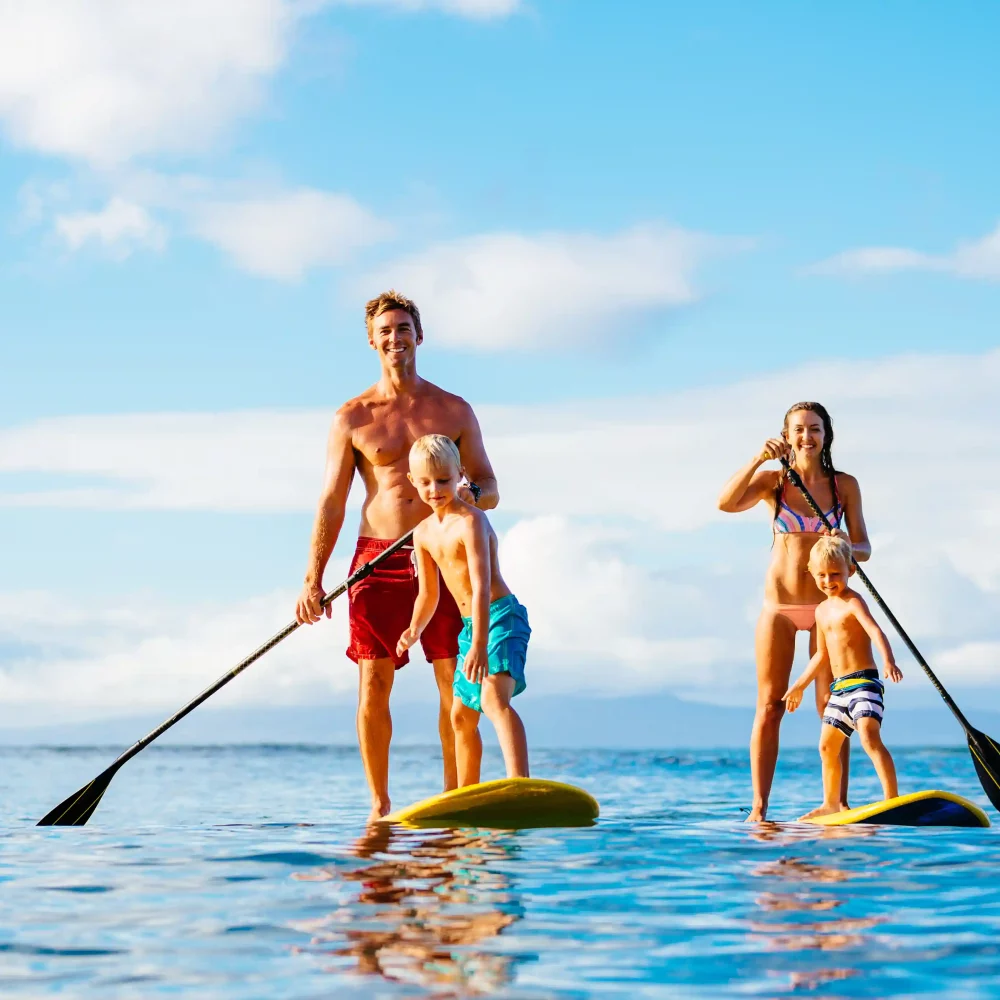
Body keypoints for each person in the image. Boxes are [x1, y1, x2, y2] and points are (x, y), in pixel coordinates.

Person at [295, 291, 499, 823]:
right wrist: (312, 579)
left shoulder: (454, 410)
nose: (395, 338)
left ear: (419, 336)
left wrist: (468, 498)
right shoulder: (353, 417)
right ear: (371, 341)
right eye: (385, 331)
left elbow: (489, 484)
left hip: (443, 552)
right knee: (374, 681)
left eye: (404, 328)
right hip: (375, 560)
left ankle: (458, 798)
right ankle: (380, 806)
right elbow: (332, 501)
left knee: (454, 678)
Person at [718, 402, 871, 821]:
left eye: (815, 429)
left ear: (826, 435)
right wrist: (756, 459)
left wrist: (845, 544)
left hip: (829, 609)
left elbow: (865, 549)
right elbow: (726, 504)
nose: (807, 436)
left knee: (833, 704)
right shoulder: (774, 482)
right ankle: (759, 808)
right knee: (770, 704)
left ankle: (836, 803)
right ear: (786, 436)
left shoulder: (845, 486)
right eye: (799, 430)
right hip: (780, 607)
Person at [397, 435, 530, 787]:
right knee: (459, 716)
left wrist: (479, 645)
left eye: (443, 480)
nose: (435, 489)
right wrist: (413, 629)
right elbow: (428, 595)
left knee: (492, 699)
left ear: (460, 474)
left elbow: (482, 585)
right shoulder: (423, 533)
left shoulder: (471, 521)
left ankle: (519, 783)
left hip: (499, 617)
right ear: (412, 481)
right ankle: (466, 794)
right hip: (472, 627)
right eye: (425, 482)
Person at [782, 535, 902, 818]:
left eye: (835, 573)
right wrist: (799, 685)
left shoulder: (853, 602)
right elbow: (820, 655)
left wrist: (888, 660)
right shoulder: (821, 611)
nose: (828, 580)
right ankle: (831, 802)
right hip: (839, 690)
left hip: (864, 683)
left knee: (869, 736)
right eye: (821, 574)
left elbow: (875, 631)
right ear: (811, 572)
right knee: (826, 746)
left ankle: (892, 799)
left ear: (851, 570)